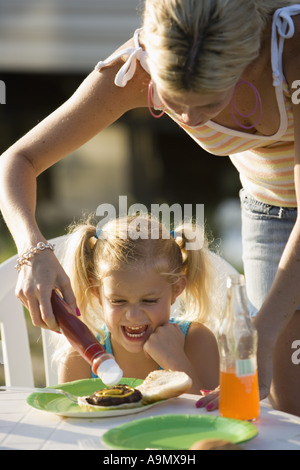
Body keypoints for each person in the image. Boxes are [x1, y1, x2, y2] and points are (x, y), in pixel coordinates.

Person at [0, 0, 299, 415]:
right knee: (290, 405)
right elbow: (17, 161)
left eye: (209, 105)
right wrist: (32, 248)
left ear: (248, 65)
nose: (191, 121)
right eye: (174, 101)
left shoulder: (291, 53)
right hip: (271, 208)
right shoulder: (135, 69)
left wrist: (263, 336)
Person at [52, 214, 220, 393]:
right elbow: (68, 420)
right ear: (96, 292)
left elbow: (212, 418)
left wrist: (175, 360)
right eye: (118, 301)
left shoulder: (196, 341)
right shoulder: (81, 359)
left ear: (177, 289)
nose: (133, 316)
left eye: (149, 301)